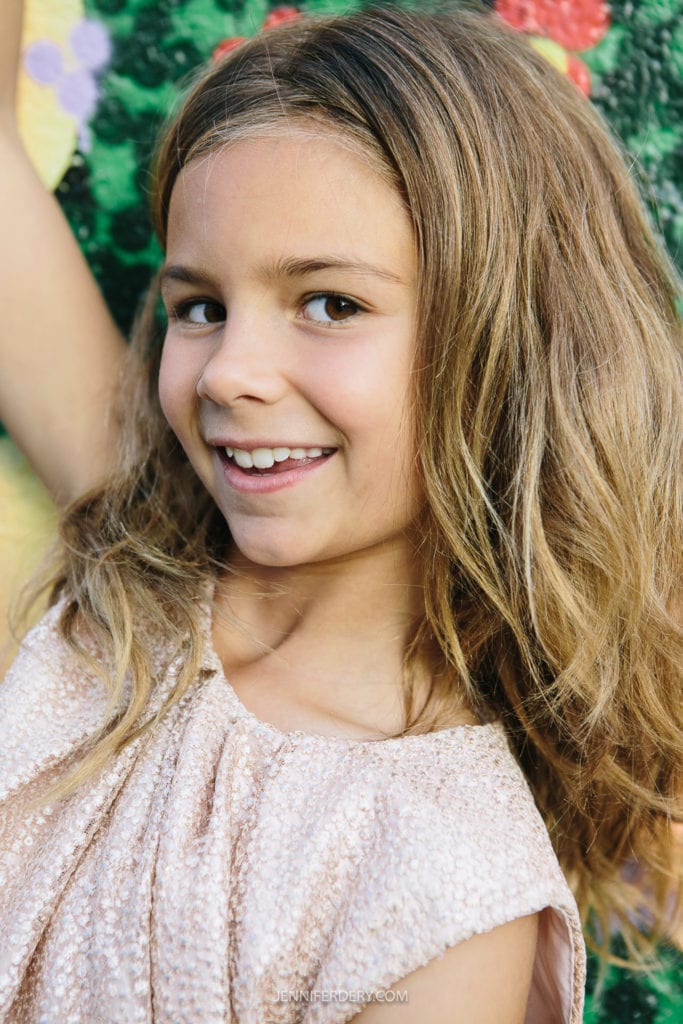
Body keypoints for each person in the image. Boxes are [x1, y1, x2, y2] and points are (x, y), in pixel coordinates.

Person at [0, 3, 681, 1022]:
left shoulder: (446, 889)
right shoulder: (137, 556)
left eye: (328, 303)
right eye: (199, 306)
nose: (228, 372)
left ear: (505, 347)